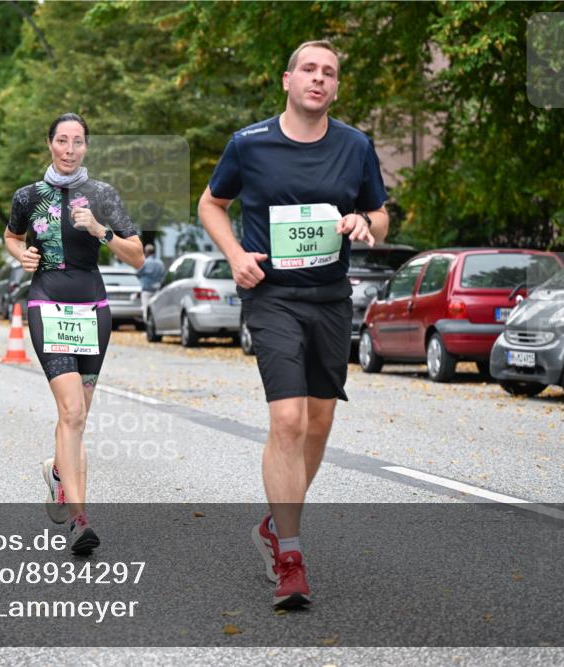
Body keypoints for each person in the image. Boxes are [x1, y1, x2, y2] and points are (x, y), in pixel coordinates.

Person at [198, 40, 389, 610]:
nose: (318, 78)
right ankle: (290, 555)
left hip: (330, 299)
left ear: (336, 87)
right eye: (309, 69)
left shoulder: (355, 146)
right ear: (288, 80)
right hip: (273, 296)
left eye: (329, 72)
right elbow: (211, 204)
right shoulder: (249, 144)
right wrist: (235, 255)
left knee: (319, 423)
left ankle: (272, 526)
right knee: (288, 419)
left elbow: (380, 214)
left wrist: (363, 221)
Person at [5, 112, 143, 555]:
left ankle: (56, 471)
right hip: (47, 302)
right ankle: (80, 521)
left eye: (77, 141)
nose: (69, 149)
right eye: (62, 140)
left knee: (78, 417)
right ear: (49, 143)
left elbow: (137, 255)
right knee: (70, 410)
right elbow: (11, 236)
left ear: (86, 146)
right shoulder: (28, 196)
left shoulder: (102, 195)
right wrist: (21, 255)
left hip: (93, 309)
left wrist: (100, 231)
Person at [136, 243, 166, 315]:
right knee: (156, 310)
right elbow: (163, 275)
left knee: (146, 309)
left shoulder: (145, 262)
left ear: (146, 252)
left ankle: (147, 321)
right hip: (157, 290)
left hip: (146, 290)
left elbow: (137, 273)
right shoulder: (160, 263)